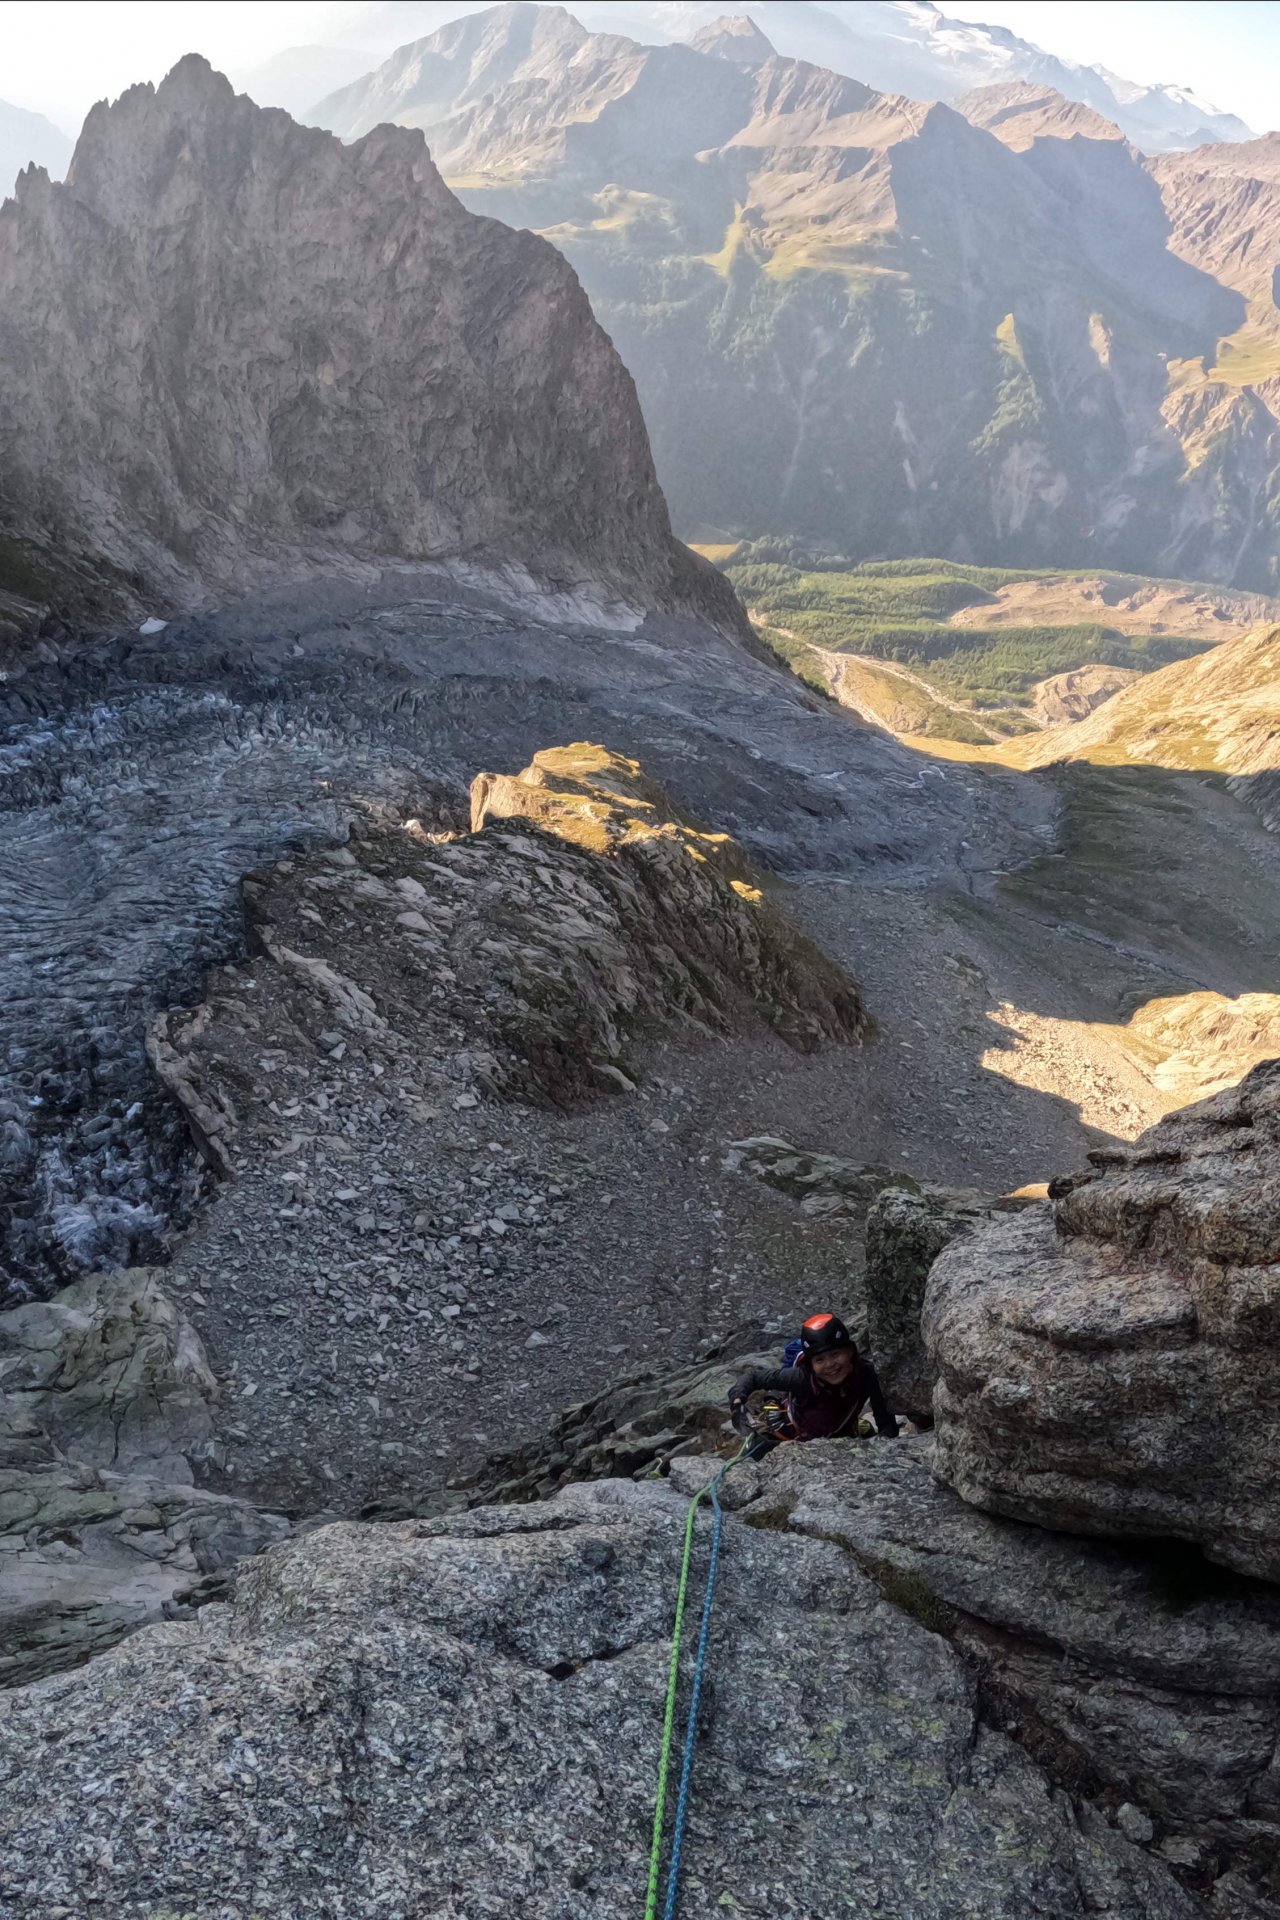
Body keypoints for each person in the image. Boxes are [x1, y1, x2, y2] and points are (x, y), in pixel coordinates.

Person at [728, 1312, 897, 1454]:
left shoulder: (867, 1374)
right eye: (820, 1360)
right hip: (787, 1438)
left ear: (850, 1351)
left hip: (839, 1438)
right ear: (811, 1364)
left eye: (835, 1354)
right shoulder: (801, 1378)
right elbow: (752, 1378)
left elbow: (886, 1425)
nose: (830, 1365)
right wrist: (737, 1405)